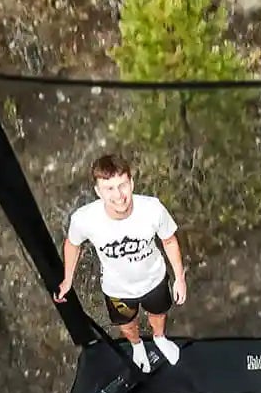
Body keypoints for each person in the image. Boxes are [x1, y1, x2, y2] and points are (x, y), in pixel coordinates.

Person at [57, 151, 187, 373]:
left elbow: (169, 240)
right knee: (126, 322)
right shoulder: (84, 219)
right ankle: (136, 346)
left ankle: (159, 338)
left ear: (132, 183)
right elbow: (72, 244)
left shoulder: (152, 209)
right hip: (117, 289)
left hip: (154, 279)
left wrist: (179, 278)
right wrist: (67, 280)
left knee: (158, 313)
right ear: (98, 191)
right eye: (109, 188)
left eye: (122, 185)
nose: (118, 195)